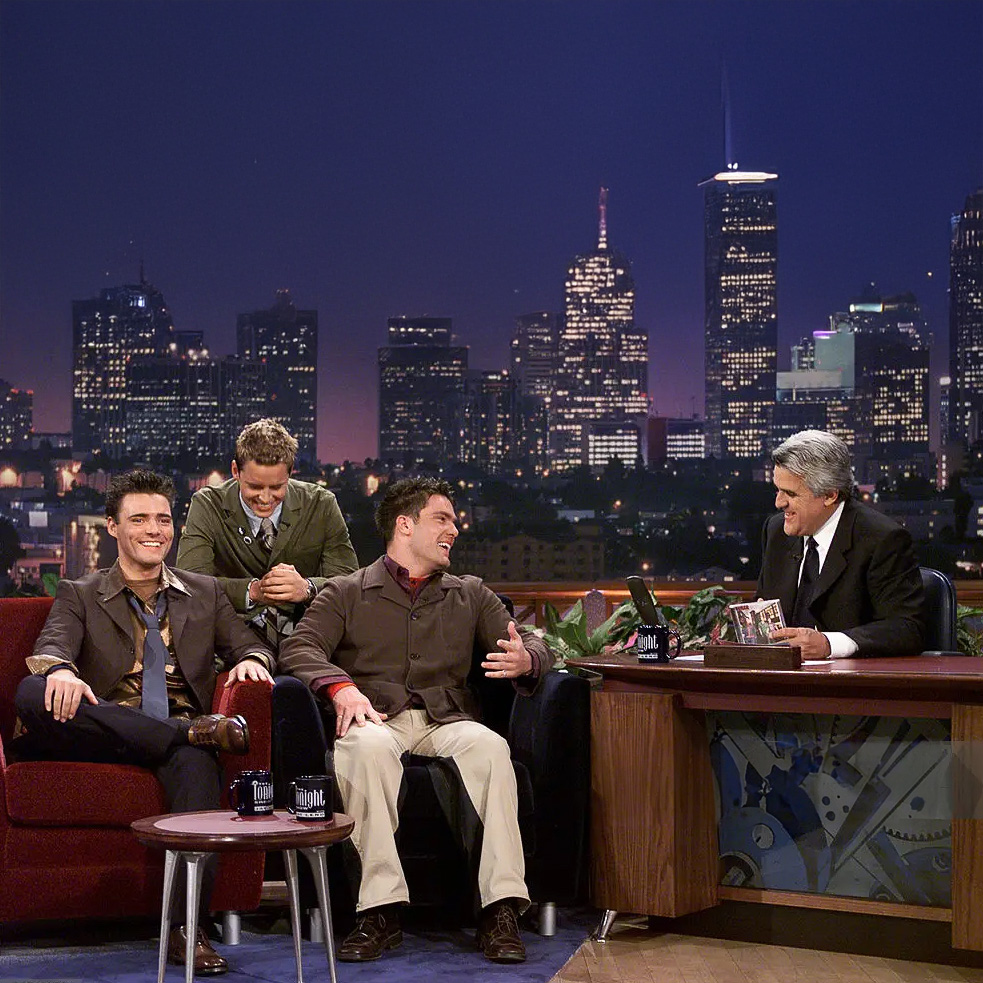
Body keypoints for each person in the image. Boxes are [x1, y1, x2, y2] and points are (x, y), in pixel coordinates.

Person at [277, 477, 552, 964]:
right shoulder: (346, 591)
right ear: (405, 526)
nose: (454, 530)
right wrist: (340, 687)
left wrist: (527, 659)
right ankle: (378, 911)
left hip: (447, 719)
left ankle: (500, 909)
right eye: (442, 519)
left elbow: (530, 639)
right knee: (363, 748)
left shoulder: (470, 593)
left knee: (490, 748)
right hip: (375, 716)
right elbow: (299, 647)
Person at [13, 469, 275, 975]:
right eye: (139, 519)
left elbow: (250, 644)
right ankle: (187, 731)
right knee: (33, 693)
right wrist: (62, 671)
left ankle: (187, 928)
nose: (154, 530)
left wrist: (254, 663)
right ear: (112, 527)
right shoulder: (80, 592)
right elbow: (50, 648)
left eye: (162, 519)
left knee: (198, 762)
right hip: (102, 731)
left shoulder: (206, 592)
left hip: (176, 740)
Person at [176, 418, 358, 649]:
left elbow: (349, 584)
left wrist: (308, 588)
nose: (265, 498)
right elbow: (190, 583)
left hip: (308, 636)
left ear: (291, 473)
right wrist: (252, 591)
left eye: (276, 487)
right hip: (230, 638)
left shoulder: (321, 504)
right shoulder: (207, 504)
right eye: (254, 487)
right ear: (235, 471)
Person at [757, 429, 925, 659]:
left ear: (829, 495)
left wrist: (829, 644)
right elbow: (764, 606)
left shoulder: (882, 539)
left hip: (853, 685)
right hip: (781, 679)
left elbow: (907, 628)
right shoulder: (776, 531)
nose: (779, 502)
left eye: (790, 493)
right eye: (777, 490)